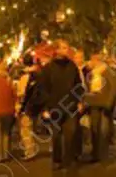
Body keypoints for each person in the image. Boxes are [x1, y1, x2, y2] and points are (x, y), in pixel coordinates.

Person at [36, 41, 82, 172]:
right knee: (56, 135)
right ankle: (57, 159)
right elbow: (43, 89)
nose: (66, 50)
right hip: (54, 107)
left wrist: (79, 101)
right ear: (57, 50)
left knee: (70, 134)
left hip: (71, 107)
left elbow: (78, 85)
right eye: (63, 48)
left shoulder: (72, 66)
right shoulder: (49, 68)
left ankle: (68, 160)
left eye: (67, 47)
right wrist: (45, 107)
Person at [82, 54, 114, 164]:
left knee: (101, 130)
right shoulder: (92, 73)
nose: (90, 62)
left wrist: (109, 103)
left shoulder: (107, 72)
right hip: (93, 103)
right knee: (95, 129)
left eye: (92, 60)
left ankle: (100, 153)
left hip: (103, 104)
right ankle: (96, 152)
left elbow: (112, 89)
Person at [17, 55, 43, 160]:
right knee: (29, 128)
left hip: (27, 106)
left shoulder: (26, 76)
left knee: (25, 129)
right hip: (35, 105)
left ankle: (29, 150)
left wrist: (21, 106)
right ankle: (30, 149)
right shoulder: (38, 74)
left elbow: (23, 93)